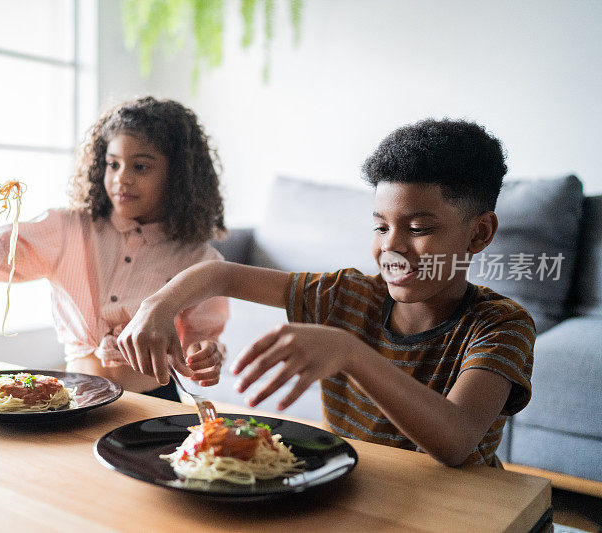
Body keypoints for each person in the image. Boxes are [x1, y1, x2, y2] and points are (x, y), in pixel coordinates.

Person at [116, 118, 535, 466]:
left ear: (479, 233)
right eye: (381, 227)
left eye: (419, 228)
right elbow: (220, 274)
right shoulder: (346, 294)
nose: (392, 246)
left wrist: (350, 352)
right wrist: (157, 306)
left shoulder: (501, 325)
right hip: (356, 492)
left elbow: (457, 440)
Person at [0, 96, 229, 401]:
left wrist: (206, 353)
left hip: (155, 406)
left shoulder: (199, 259)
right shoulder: (68, 228)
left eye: (140, 167)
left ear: (177, 176)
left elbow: (199, 345)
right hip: (74, 401)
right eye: (113, 164)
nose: (121, 179)